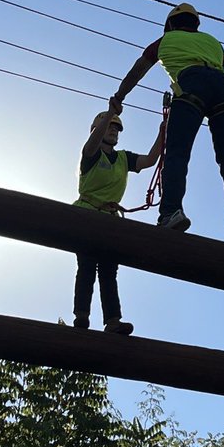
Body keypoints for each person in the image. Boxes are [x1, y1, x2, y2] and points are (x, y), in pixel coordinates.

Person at [110, 3, 224, 246]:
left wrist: (119, 97)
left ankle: (171, 212)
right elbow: (220, 65)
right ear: (195, 23)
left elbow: (138, 70)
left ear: (170, 24)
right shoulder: (213, 42)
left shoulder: (165, 41)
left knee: (177, 155)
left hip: (191, 82)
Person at [72, 108, 164, 334]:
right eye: (109, 127)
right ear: (97, 130)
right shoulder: (91, 154)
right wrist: (111, 112)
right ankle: (81, 315)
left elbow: (150, 160)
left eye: (117, 128)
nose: (114, 131)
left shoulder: (123, 158)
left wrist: (163, 132)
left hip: (110, 220)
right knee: (86, 267)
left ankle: (112, 320)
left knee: (108, 271)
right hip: (87, 214)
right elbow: (91, 144)